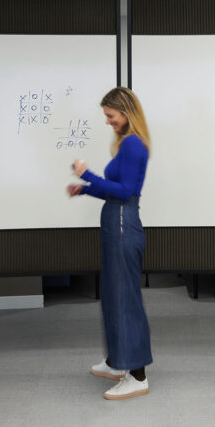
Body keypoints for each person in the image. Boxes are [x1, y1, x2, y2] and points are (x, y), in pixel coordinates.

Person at [67, 87, 154, 401]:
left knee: (125, 298)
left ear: (126, 113)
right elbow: (114, 188)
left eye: (110, 116)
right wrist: (85, 188)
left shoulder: (132, 144)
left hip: (122, 225)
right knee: (113, 295)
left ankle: (138, 375)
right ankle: (119, 363)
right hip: (115, 223)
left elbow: (126, 191)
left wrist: (87, 173)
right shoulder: (125, 144)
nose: (107, 121)